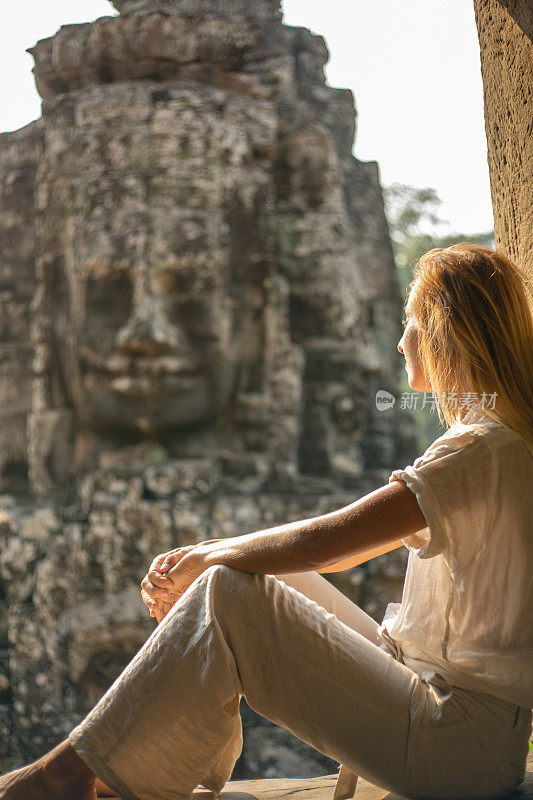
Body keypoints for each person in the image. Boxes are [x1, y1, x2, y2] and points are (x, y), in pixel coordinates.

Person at [1, 242, 532, 800]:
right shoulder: (495, 440)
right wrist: (215, 556)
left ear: (449, 333)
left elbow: (325, 545)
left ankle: (66, 775)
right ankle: (131, 766)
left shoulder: (482, 449)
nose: (402, 341)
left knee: (231, 588)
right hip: (453, 720)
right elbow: (323, 553)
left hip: (454, 745)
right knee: (250, 577)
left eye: (413, 322)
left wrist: (210, 555)